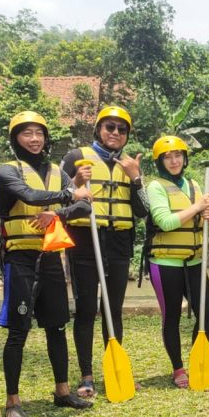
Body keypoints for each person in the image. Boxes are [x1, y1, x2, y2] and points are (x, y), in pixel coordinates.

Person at [0, 111, 94, 417]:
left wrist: (58, 215)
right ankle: (12, 401)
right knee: (18, 332)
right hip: (20, 259)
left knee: (57, 326)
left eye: (39, 133)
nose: (34, 139)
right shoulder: (7, 171)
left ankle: (62, 390)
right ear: (15, 139)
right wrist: (69, 195)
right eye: (26, 133)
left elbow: (85, 206)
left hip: (49, 258)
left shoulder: (54, 171)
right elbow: (29, 196)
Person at [61, 106, 145, 398]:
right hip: (85, 240)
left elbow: (142, 210)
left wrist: (136, 179)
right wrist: (76, 184)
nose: (116, 133)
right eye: (110, 127)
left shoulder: (129, 163)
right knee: (85, 310)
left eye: (122, 130)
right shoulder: (75, 157)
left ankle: (115, 368)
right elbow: (59, 203)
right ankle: (86, 375)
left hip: (118, 243)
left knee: (114, 309)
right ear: (98, 129)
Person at [144, 135, 209, 388]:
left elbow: (198, 218)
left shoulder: (194, 185)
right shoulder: (155, 186)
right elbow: (165, 222)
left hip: (194, 260)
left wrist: (206, 214)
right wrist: (198, 208)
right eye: (168, 157)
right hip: (166, 264)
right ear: (160, 161)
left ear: (185, 158)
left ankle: (200, 363)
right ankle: (178, 369)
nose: (174, 161)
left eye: (178, 156)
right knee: (172, 316)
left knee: (207, 312)